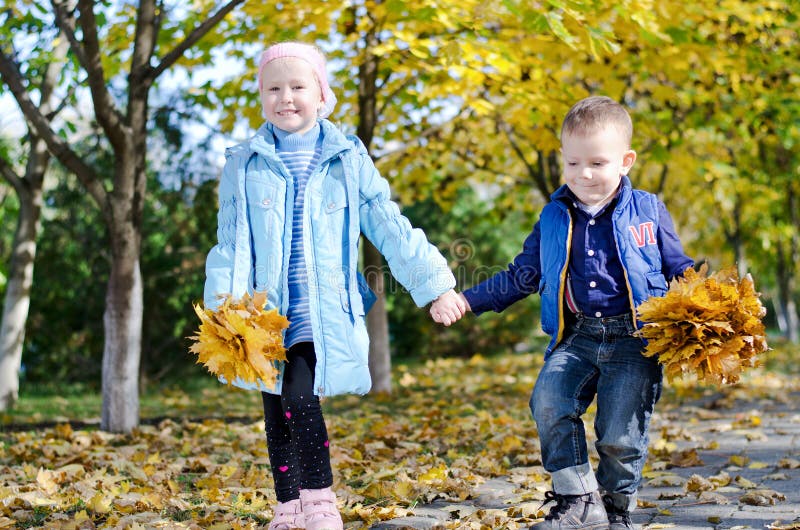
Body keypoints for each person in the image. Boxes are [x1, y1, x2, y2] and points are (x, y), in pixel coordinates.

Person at [203, 42, 466, 530]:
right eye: (273, 88)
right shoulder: (244, 163)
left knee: (302, 398)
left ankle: (320, 500)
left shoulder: (346, 158)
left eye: (298, 86)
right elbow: (232, 241)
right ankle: (288, 506)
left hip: (319, 310)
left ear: (321, 95)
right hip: (264, 315)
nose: (286, 97)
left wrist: (435, 287)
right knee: (276, 409)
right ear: (261, 95)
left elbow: (389, 224)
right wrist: (226, 312)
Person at [431, 96, 693, 529]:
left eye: (597, 163)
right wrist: (466, 300)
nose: (583, 174)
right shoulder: (554, 216)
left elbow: (678, 267)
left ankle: (614, 509)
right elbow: (523, 274)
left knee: (620, 436)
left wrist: (709, 297)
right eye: (573, 164)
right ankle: (577, 500)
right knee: (549, 402)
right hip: (577, 337)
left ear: (626, 161)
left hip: (636, 339)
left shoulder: (648, 210)